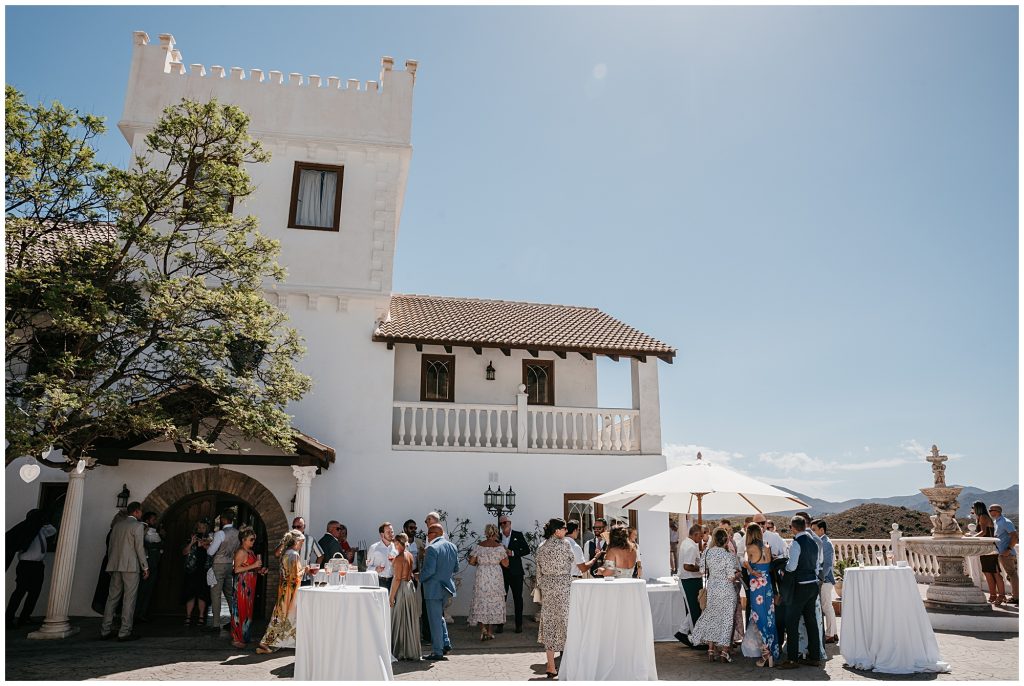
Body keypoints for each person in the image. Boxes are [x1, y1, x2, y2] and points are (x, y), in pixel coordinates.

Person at [688, 527, 740, 663]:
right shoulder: (729, 555)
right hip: (727, 590)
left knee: (712, 618)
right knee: (727, 620)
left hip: (713, 589)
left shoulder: (707, 552)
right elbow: (730, 576)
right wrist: (738, 574)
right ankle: (724, 653)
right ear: (726, 540)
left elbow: (701, 570)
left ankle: (711, 651)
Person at [100, 502, 149, 642]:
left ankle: (105, 630)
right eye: (141, 512)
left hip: (115, 565)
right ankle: (124, 631)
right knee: (129, 599)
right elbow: (139, 548)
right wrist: (145, 567)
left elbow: (110, 546)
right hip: (130, 567)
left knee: (112, 598)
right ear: (137, 512)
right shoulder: (138, 526)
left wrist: (110, 564)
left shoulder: (117, 526)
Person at [777, 516, 822, 670]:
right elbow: (817, 565)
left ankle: (792, 659)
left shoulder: (796, 543)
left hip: (800, 586)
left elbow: (792, 567)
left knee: (791, 621)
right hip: (813, 585)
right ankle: (815, 656)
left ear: (793, 528)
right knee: (811, 620)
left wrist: (784, 566)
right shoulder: (814, 542)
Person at [257, 529, 306, 654]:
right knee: (280, 616)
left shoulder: (287, 553)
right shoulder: (294, 554)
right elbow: (294, 576)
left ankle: (277, 642)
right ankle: (265, 643)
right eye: (301, 542)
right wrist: (306, 569)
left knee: (280, 615)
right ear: (296, 541)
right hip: (289, 591)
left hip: (284, 589)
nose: (302, 545)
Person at [536, 518, 574, 679]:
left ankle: (551, 666)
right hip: (564, 587)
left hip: (548, 588)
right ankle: (568, 665)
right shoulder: (565, 544)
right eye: (564, 528)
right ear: (556, 530)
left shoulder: (541, 547)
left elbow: (538, 572)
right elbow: (572, 561)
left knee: (550, 625)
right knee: (566, 624)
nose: (566, 531)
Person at [6, 509, 56, 629]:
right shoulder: (25, 529)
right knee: (20, 592)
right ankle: (8, 618)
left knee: (34, 593)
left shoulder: (41, 530)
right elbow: (16, 540)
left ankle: (25, 617)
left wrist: (44, 523)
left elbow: (53, 530)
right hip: (26, 565)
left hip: (38, 565)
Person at [742, 523, 779, 668]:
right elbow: (769, 566)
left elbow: (745, 561)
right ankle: (770, 649)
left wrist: (750, 570)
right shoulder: (767, 546)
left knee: (759, 617)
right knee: (768, 617)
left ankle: (766, 653)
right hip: (767, 585)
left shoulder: (750, 548)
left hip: (756, 586)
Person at [420, 523, 458, 661]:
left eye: (428, 534)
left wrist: (419, 577)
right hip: (446, 588)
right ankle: (445, 643)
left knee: (434, 620)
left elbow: (429, 571)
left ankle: (437, 651)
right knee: (439, 617)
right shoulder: (452, 546)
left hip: (433, 589)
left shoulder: (432, 548)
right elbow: (456, 568)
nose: (427, 537)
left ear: (432, 534)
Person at [468, 523, 510, 640]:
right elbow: (506, 564)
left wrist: (480, 563)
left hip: (482, 575)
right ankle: (490, 632)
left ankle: (483, 629)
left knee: (482, 601)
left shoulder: (479, 546)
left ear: (486, 533)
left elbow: (471, 561)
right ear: (496, 533)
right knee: (492, 602)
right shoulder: (499, 547)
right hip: (495, 576)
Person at [230, 527, 266, 649]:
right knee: (240, 610)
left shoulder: (251, 552)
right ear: (243, 540)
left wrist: (260, 570)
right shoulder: (241, 552)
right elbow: (237, 570)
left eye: (254, 539)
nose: (253, 542)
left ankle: (244, 635)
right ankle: (236, 638)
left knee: (247, 611)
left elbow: (251, 567)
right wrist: (254, 565)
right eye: (251, 539)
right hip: (241, 585)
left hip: (250, 584)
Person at [388, 532, 422, 659]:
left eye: (395, 543)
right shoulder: (410, 555)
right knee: (408, 619)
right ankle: (409, 650)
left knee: (399, 619)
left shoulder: (399, 558)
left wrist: (391, 597)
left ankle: (400, 651)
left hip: (401, 588)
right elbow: (411, 572)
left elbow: (397, 579)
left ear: (398, 543)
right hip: (409, 587)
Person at [207, 510, 240, 632]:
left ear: (223, 520)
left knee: (215, 595)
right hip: (229, 565)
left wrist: (208, 546)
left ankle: (216, 624)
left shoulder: (220, 533)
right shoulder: (237, 533)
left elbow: (211, 552)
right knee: (230, 594)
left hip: (218, 565)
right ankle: (234, 621)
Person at [497, 515, 531, 633]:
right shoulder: (498, 537)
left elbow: (527, 550)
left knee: (518, 599)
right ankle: (500, 624)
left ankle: (519, 625)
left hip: (516, 572)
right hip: (501, 572)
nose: (503, 525)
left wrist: (512, 552)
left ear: (510, 523)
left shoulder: (518, 535)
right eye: (501, 523)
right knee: (501, 599)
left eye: (505, 522)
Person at [674, 523, 706, 648]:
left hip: (691, 580)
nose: (702, 537)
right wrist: (702, 569)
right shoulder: (691, 546)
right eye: (701, 535)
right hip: (689, 581)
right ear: (696, 534)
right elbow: (687, 566)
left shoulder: (687, 543)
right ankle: (695, 639)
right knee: (694, 610)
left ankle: (682, 632)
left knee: (696, 609)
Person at [967, 501, 1005, 604]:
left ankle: (1001, 596)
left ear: (978, 508)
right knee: (987, 572)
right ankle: (993, 595)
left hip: (991, 549)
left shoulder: (983, 517)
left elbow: (983, 532)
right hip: (985, 549)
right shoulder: (980, 517)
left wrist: (971, 538)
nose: (972, 509)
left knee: (995, 573)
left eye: (973, 507)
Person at [274, 517, 323, 586]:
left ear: (304, 527)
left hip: (304, 579)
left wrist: (315, 567)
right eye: (294, 527)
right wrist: (284, 542)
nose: (296, 529)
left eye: (299, 526)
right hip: (290, 579)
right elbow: (276, 554)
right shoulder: (288, 538)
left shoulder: (310, 539)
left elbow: (320, 555)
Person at [811, 519, 837, 643]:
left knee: (826, 607)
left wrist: (820, 579)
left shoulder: (826, 543)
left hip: (825, 580)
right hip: (823, 579)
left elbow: (827, 564)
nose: (812, 532)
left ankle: (830, 634)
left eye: (814, 530)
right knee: (827, 606)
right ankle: (834, 632)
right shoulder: (820, 542)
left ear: (822, 530)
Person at [134, 512, 163, 623]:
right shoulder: (142, 528)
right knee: (141, 589)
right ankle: (136, 613)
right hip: (145, 563)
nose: (155, 522)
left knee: (148, 589)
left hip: (154, 563)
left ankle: (142, 613)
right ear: (147, 520)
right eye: (153, 519)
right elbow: (141, 544)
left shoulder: (155, 531)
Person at [181, 521, 212, 626]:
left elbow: (212, 553)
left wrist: (206, 545)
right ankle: (188, 616)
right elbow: (184, 552)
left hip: (204, 571)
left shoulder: (209, 540)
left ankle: (201, 616)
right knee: (190, 594)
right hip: (192, 570)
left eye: (203, 528)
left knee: (202, 594)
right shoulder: (190, 539)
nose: (201, 530)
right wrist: (191, 543)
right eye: (199, 528)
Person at [990, 504, 1019, 604]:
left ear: (997, 511)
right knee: (1009, 575)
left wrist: (1008, 549)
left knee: (1012, 574)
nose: (989, 512)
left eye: (991, 510)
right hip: (1001, 553)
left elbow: (1015, 536)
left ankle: (1017, 597)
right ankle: (1015, 595)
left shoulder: (1005, 522)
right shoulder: (996, 522)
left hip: (1007, 553)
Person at [368, 522, 398, 590]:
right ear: (382, 534)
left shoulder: (396, 548)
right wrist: (375, 569)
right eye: (388, 532)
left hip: (393, 582)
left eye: (392, 532)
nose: (391, 534)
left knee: (393, 601)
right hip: (379, 582)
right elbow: (367, 568)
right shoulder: (374, 548)